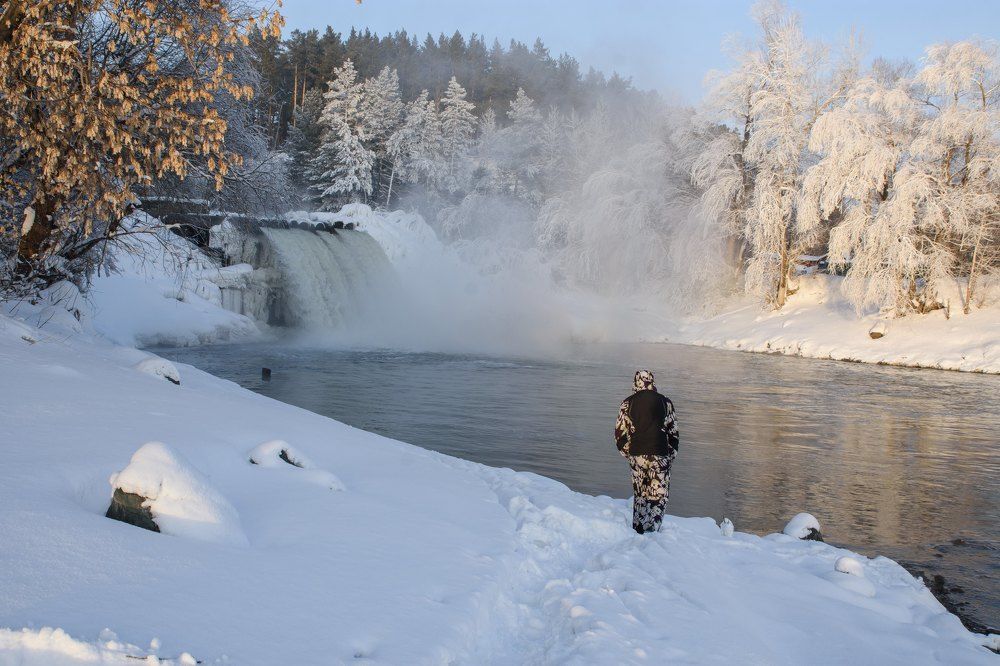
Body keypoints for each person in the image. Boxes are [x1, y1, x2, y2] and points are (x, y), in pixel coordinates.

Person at [614, 370, 680, 534]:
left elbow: (620, 434)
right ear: (652, 382)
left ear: (636, 383)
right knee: (658, 495)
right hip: (660, 453)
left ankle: (638, 529)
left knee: (640, 494)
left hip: (637, 454)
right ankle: (653, 531)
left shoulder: (627, 403)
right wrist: (669, 457)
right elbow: (673, 434)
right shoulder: (665, 402)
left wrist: (629, 453)